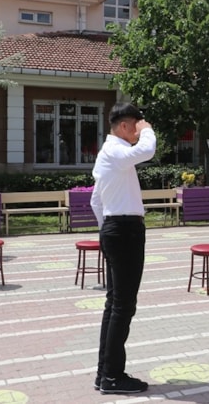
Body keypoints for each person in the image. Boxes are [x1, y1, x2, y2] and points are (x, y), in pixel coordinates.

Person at [90, 103, 156, 395]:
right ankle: (112, 377)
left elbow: (95, 201)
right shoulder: (116, 150)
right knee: (123, 306)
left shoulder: (111, 155)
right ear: (125, 126)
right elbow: (147, 151)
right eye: (136, 126)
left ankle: (105, 373)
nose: (138, 132)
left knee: (115, 304)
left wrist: (107, 228)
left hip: (117, 228)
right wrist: (149, 130)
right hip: (125, 231)